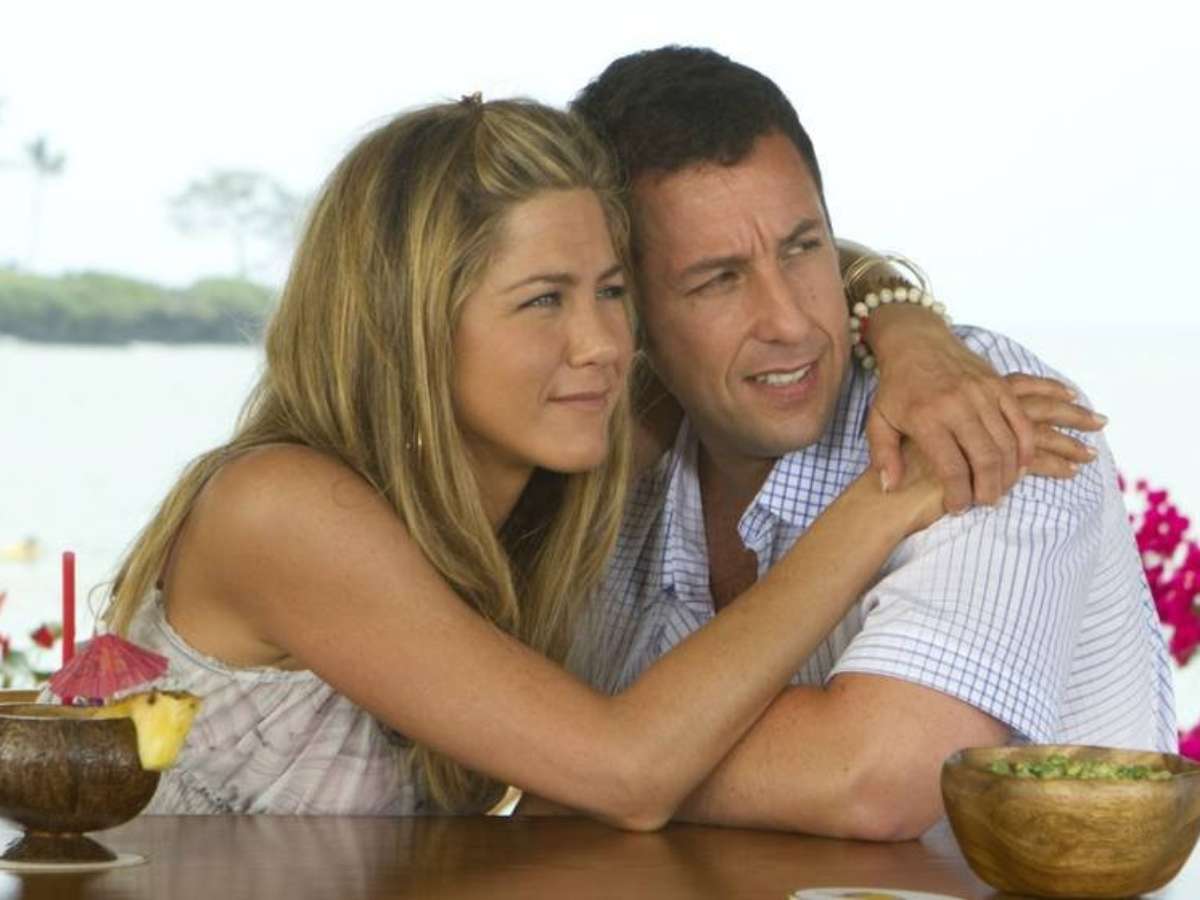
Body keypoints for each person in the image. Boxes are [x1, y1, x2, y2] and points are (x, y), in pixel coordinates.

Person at [97, 96, 1087, 823]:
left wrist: (907, 333)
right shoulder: (281, 510)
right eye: (543, 300)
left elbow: (758, 279)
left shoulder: (549, 464)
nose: (604, 344)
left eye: (612, 292)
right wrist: (889, 497)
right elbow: (629, 773)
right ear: (410, 328)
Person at [547, 46, 1176, 840]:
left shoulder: (978, 408)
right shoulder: (608, 461)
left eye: (803, 247)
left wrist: (570, 760)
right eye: (718, 280)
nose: (791, 322)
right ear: (625, 307)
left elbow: (879, 775)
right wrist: (595, 760)